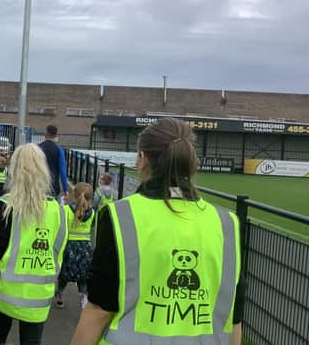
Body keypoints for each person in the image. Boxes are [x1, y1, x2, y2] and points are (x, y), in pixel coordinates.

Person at [71, 118, 244, 345]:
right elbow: (233, 317)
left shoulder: (121, 216)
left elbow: (99, 308)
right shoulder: (227, 223)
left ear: (142, 158)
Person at [0, 143, 68, 345]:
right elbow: (59, 249)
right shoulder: (58, 211)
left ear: (14, 170)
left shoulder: (6, 206)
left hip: (3, 292)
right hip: (39, 297)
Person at [55, 182, 96, 311]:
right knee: (83, 277)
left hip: (69, 247)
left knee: (64, 275)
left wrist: (61, 202)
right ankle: (84, 301)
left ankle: (60, 296)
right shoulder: (93, 213)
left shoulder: (67, 210)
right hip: (85, 249)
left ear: (74, 195)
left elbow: (60, 222)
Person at [38, 125, 69, 200]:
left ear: (46, 133)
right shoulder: (59, 150)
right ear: (55, 135)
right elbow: (62, 172)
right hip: (53, 186)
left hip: (38, 185)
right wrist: (66, 189)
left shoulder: (37, 148)